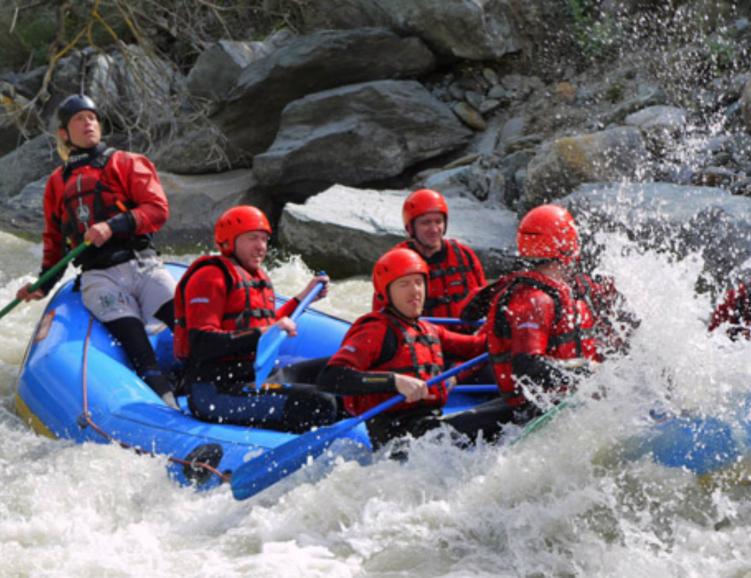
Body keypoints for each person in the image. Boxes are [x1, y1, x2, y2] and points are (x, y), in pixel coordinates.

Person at [16, 94, 179, 409]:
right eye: (79, 119)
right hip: (99, 277)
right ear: (64, 133)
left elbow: (157, 210)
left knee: (185, 324)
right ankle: (167, 404)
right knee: (135, 343)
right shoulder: (56, 183)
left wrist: (112, 225)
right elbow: (54, 239)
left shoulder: (127, 162)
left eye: (92, 117)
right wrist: (43, 285)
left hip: (142, 265)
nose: (88, 123)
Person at [318, 247, 506, 449]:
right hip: (400, 439)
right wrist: (394, 381)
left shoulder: (429, 330)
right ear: (386, 292)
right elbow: (331, 378)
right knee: (511, 409)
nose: (415, 290)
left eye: (418, 282)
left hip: (430, 428)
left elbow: (479, 348)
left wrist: (508, 324)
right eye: (404, 284)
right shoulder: (376, 330)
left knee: (510, 405)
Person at [173, 205, 337, 432]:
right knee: (320, 402)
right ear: (229, 241)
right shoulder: (210, 277)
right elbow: (202, 342)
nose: (261, 247)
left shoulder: (256, 277)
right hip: (216, 391)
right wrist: (263, 333)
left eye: (264, 239)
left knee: (339, 370)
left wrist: (303, 298)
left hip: (258, 376)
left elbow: (266, 324)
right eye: (252, 238)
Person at [484, 205, 602, 418]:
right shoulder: (535, 300)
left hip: (568, 401)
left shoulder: (568, 289)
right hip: (536, 410)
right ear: (566, 247)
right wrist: (584, 372)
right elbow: (527, 366)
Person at [372, 189, 486, 323]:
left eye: (438, 222)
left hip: (467, 336)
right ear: (410, 228)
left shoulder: (465, 255)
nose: (434, 229)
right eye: (425, 223)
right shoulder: (393, 262)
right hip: (423, 339)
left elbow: (486, 301)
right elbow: (380, 317)